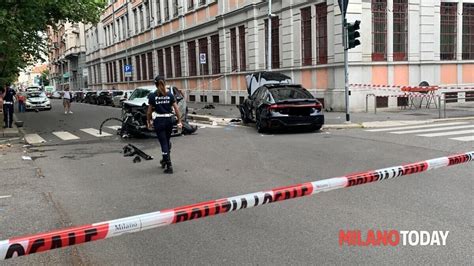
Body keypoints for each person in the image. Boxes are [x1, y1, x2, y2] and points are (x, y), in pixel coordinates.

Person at [146, 76, 182, 174]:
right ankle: (164, 160)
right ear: (164, 83)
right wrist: (179, 121)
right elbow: (176, 109)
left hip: (159, 121)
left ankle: (169, 165)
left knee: (163, 143)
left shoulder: (152, 96)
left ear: (155, 84)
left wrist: (148, 122)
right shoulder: (169, 95)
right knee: (167, 141)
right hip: (169, 121)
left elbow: (149, 112)